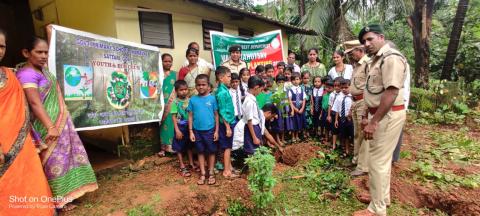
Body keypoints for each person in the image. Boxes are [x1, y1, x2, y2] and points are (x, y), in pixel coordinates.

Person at [16, 37, 98, 211]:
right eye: (39, 52)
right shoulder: (26, 74)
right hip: (45, 127)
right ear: (26, 53)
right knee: (52, 163)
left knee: (65, 159)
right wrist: (50, 126)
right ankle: (57, 202)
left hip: (58, 123)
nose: (44, 56)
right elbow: (35, 103)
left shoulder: (43, 71)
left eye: (46, 52)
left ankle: (67, 196)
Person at [353, 24, 408, 216]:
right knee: (381, 160)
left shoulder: (391, 58)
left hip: (387, 115)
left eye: (370, 39)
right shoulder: (376, 60)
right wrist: (365, 116)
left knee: (376, 161)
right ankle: (381, 198)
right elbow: (373, 91)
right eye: (363, 41)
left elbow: (391, 92)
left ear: (381, 37)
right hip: (379, 113)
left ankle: (377, 209)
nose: (366, 44)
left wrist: (374, 121)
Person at [0, 29, 55, 216]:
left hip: (23, 140)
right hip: (2, 144)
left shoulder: (12, 73)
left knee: (31, 180)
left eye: (2, 46)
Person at [188, 74, 219, 185]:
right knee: (200, 152)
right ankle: (202, 172)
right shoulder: (193, 100)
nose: (201, 87)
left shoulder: (212, 98)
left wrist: (216, 131)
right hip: (197, 131)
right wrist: (191, 131)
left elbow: (216, 115)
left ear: (208, 86)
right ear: (195, 86)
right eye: (198, 85)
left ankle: (210, 172)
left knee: (211, 151)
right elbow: (190, 116)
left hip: (210, 130)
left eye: (203, 85)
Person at [346, 43, 370, 177]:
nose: (350, 56)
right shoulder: (356, 66)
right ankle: (356, 160)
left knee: (363, 133)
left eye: (351, 53)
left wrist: (366, 107)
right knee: (356, 134)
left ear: (359, 50)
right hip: (355, 102)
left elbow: (370, 87)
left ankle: (363, 165)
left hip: (363, 102)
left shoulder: (367, 64)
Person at [214, 66, 238, 178]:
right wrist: (228, 127)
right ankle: (226, 171)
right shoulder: (222, 93)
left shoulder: (224, 90)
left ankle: (230, 167)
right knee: (227, 147)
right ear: (220, 77)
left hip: (229, 122)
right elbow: (222, 111)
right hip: (225, 124)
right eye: (228, 76)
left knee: (228, 146)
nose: (230, 79)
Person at [170, 80, 196, 177]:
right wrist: (177, 130)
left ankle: (191, 163)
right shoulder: (175, 102)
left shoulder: (190, 100)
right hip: (180, 126)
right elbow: (173, 116)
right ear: (176, 91)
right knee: (179, 147)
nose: (184, 91)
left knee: (189, 145)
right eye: (181, 90)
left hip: (189, 126)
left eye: (185, 89)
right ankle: (182, 165)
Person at [158, 53, 176, 156]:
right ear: (161, 62)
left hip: (173, 104)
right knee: (163, 125)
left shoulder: (175, 74)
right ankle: (163, 148)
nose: (168, 63)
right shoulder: (158, 74)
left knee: (173, 124)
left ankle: (174, 147)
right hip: (161, 104)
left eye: (170, 61)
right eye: (165, 61)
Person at [242, 76, 265, 155]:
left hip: (255, 127)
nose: (260, 92)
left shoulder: (252, 99)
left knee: (257, 150)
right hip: (252, 128)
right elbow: (249, 121)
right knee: (252, 152)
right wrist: (254, 137)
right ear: (256, 87)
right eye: (260, 90)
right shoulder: (249, 101)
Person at [334, 79, 353, 157]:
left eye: (346, 87)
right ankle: (346, 151)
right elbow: (337, 109)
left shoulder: (353, 97)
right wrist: (336, 120)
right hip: (342, 119)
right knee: (344, 136)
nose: (344, 89)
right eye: (342, 88)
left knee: (352, 135)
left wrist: (350, 114)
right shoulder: (339, 97)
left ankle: (354, 151)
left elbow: (355, 106)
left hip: (351, 120)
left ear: (350, 87)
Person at [287, 72, 306, 143]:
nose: (296, 81)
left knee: (299, 122)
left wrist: (302, 109)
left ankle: (297, 135)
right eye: (294, 80)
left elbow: (304, 100)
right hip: (293, 109)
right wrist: (295, 109)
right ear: (291, 81)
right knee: (293, 123)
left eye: (297, 79)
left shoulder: (301, 89)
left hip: (301, 108)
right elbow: (290, 101)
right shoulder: (290, 90)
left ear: (300, 80)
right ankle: (293, 136)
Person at [327, 77, 343, 149]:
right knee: (334, 129)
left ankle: (340, 143)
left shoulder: (343, 94)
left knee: (341, 128)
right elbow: (330, 105)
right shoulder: (332, 94)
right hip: (333, 113)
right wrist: (329, 115)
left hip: (341, 114)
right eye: (335, 86)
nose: (336, 87)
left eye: (338, 86)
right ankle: (333, 144)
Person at [321, 79, 334, 143]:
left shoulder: (333, 96)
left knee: (331, 126)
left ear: (333, 88)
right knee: (325, 126)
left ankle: (331, 138)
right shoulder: (324, 95)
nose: (328, 89)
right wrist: (321, 114)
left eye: (330, 88)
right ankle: (326, 137)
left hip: (331, 113)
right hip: (324, 112)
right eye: (326, 87)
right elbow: (322, 105)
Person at [301, 71, 313, 139]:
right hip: (302, 105)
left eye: (307, 78)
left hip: (308, 105)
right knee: (303, 118)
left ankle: (308, 131)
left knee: (309, 119)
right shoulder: (300, 87)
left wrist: (312, 106)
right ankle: (303, 132)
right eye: (304, 78)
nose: (306, 80)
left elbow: (311, 96)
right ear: (302, 79)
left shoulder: (310, 86)